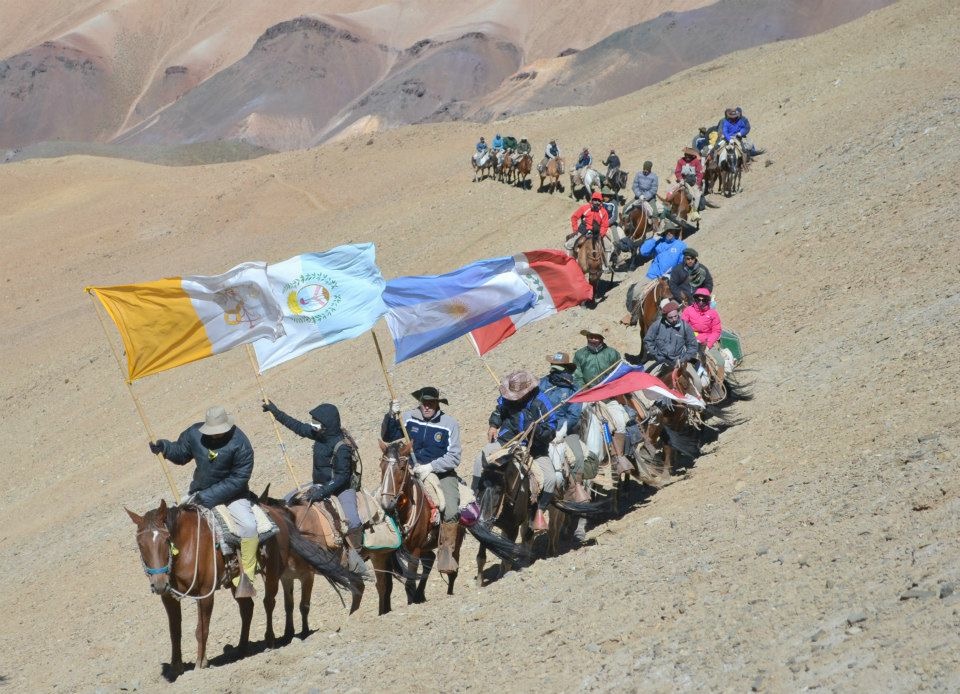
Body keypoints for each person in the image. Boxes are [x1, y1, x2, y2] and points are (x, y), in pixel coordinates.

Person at [150, 406, 259, 598]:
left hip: (233, 495)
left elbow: (238, 479)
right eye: (212, 432)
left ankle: (246, 575)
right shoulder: (195, 433)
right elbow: (181, 453)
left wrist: (208, 497)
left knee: (249, 527)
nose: (215, 435)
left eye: (219, 432)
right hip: (199, 491)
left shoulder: (241, 443)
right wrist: (165, 448)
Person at [262, 400, 365, 573]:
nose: (313, 425)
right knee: (287, 502)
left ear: (327, 424)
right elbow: (296, 426)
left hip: (340, 489)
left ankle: (356, 556)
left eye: (317, 422)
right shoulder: (320, 434)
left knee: (353, 520)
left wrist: (322, 491)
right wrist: (274, 410)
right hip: (318, 484)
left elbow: (341, 476)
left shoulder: (342, 447)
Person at [380, 387, 462, 574]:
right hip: (409, 469)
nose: (427, 407)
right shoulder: (408, 417)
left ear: (437, 403)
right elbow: (388, 436)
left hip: (440, 473)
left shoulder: (449, 424)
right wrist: (391, 415)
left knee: (450, 509)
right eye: (424, 403)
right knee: (385, 498)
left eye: (431, 403)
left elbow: (455, 457)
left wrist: (431, 467)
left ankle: (446, 553)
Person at [473, 371, 559, 532]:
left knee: (550, 478)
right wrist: (493, 425)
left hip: (535, 449)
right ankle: (475, 499)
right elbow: (499, 411)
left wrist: (537, 429)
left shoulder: (541, 403)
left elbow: (551, 430)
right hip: (506, 442)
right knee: (480, 458)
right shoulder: (506, 399)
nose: (514, 398)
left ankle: (538, 512)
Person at [573, 328, 632, 474]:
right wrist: (584, 390)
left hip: (608, 395)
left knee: (620, 422)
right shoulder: (580, 355)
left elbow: (619, 373)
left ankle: (618, 456)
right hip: (588, 395)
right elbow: (577, 375)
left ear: (601, 339)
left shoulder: (612, 353)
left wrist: (611, 388)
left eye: (595, 337)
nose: (592, 339)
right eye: (590, 336)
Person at [643, 301, 701, 394]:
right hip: (660, 360)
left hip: (679, 362)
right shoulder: (657, 325)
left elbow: (693, 346)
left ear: (678, 313)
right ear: (665, 316)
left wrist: (683, 359)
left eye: (676, 316)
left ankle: (698, 403)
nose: (674, 319)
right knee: (645, 383)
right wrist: (656, 355)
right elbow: (648, 340)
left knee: (697, 382)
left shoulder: (685, 326)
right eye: (670, 317)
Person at [566, 190, 613, 267]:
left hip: (597, 232)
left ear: (601, 202)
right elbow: (574, 217)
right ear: (592, 200)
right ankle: (568, 264)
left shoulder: (603, 212)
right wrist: (575, 230)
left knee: (608, 246)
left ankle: (605, 266)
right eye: (595, 200)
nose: (597, 202)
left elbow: (605, 225)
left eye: (599, 201)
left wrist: (601, 234)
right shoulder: (584, 208)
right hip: (583, 229)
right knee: (569, 244)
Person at [623, 160, 662, 233]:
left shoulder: (654, 177)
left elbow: (654, 189)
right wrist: (639, 195)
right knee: (626, 207)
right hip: (638, 196)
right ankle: (625, 224)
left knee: (655, 212)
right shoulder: (638, 174)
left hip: (650, 198)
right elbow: (634, 186)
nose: (645, 170)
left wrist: (645, 197)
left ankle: (655, 229)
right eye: (644, 169)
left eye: (647, 169)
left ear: (650, 169)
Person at [673, 147, 704, 223]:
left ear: (691, 156)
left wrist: (697, 184)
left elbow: (700, 173)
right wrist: (680, 179)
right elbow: (677, 172)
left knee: (696, 195)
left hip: (693, 182)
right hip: (683, 181)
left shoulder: (696, 162)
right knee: (672, 190)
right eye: (686, 155)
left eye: (688, 156)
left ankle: (694, 211)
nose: (687, 157)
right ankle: (671, 207)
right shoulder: (680, 161)